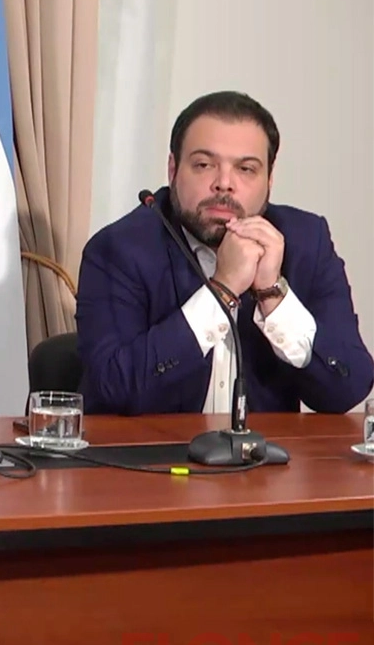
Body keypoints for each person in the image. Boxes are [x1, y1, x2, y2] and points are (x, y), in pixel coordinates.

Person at [76, 90, 373, 416]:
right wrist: (223, 289)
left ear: (269, 180)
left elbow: (349, 387)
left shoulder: (305, 242)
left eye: (246, 169)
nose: (224, 183)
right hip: (154, 448)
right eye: (204, 165)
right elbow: (112, 391)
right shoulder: (119, 249)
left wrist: (272, 294)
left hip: (264, 450)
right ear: (173, 170)